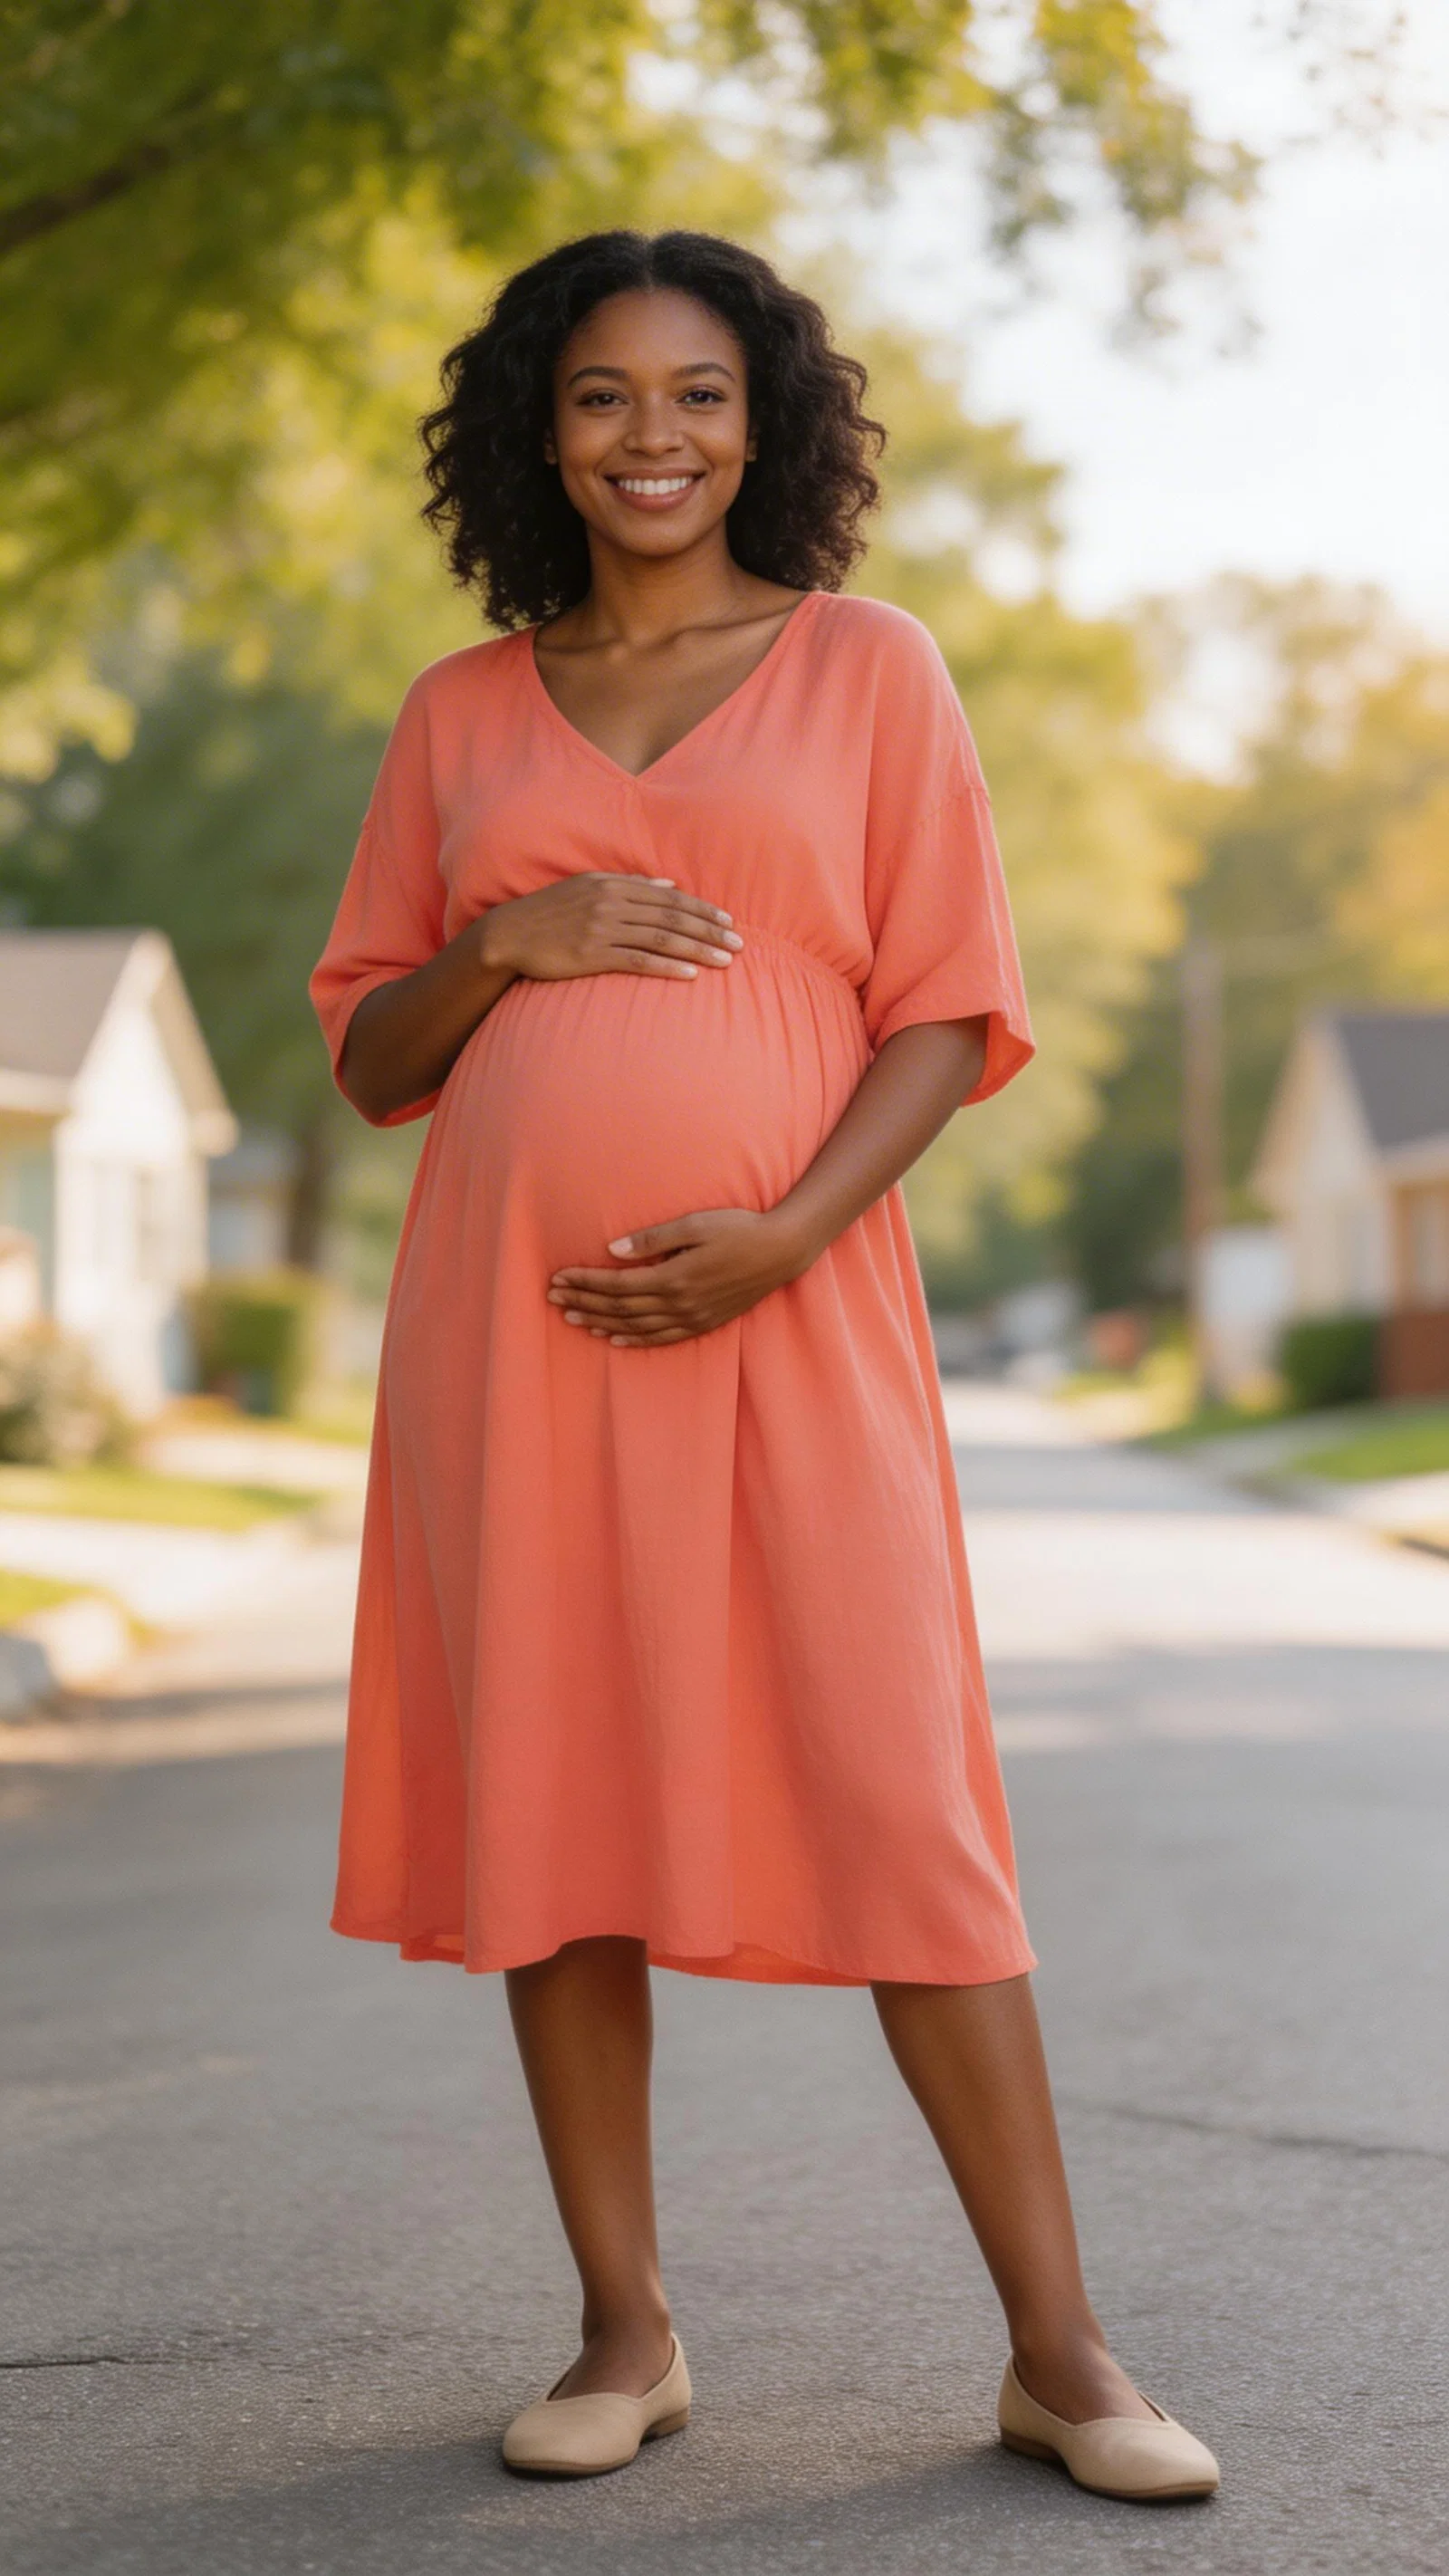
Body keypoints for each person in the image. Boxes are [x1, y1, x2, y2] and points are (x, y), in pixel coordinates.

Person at [310, 228, 1219, 2504]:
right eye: (603, 394)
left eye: (698, 393)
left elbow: (944, 1004)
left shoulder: (869, 667)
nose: (652, 436)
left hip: (792, 1316)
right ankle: (623, 2332)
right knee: (559, 1811)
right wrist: (503, 938)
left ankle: (1060, 2352)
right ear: (537, 426)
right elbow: (370, 1054)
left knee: (901, 1799)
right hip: (513, 1347)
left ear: (766, 424)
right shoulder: (456, 711)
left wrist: (789, 1234)